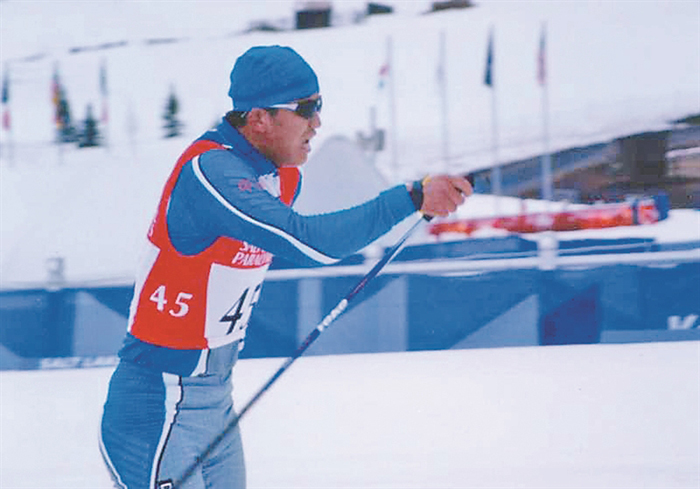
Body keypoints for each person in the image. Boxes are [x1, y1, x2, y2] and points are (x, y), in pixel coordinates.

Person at [100, 45, 472, 489]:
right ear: (259, 119)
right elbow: (312, 243)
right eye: (306, 109)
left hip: (215, 399)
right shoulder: (210, 172)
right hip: (156, 403)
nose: (318, 123)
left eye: (320, 105)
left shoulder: (282, 176)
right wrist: (410, 198)